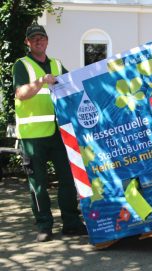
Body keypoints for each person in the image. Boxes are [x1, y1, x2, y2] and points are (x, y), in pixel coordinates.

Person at [12, 24, 87, 242]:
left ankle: (71, 223)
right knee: (38, 184)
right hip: (33, 136)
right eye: (34, 38)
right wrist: (40, 81)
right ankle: (44, 226)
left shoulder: (57, 64)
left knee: (67, 179)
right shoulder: (21, 65)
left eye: (41, 38)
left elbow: (72, 87)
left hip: (58, 134)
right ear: (27, 42)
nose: (38, 41)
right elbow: (20, 94)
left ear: (47, 40)